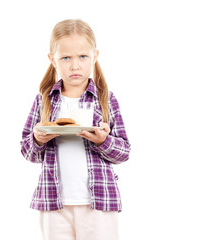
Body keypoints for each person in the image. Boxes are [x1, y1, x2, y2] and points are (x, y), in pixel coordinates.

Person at [20, 19, 130, 240]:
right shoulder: (44, 101)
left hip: (98, 202)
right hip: (54, 202)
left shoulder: (105, 100)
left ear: (95, 56)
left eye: (82, 57)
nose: (75, 65)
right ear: (53, 60)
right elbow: (27, 150)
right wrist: (39, 139)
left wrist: (102, 141)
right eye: (66, 58)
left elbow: (124, 152)